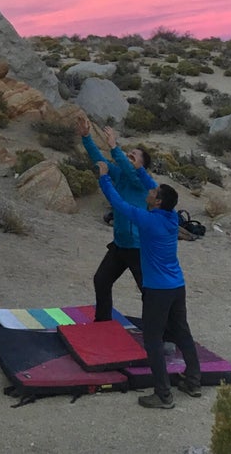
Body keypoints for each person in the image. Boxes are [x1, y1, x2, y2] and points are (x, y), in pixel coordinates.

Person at [96, 163, 202, 410]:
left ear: (156, 202)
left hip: (158, 290)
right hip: (177, 285)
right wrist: (141, 169)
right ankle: (194, 381)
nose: (150, 192)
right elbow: (153, 187)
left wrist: (104, 178)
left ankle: (163, 394)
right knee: (182, 331)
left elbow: (119, 204)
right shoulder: (171, 216)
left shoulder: (148, 220)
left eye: (154, 194)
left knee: (153, 339)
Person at [79, 120, 156, 320]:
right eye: (128, 154)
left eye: (133, 156)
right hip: (120, 245)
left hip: (138, 247)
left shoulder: (141, 182)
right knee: (102, 280)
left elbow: (129, 169)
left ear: (143, 166)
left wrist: (115, 147)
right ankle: (103, 322)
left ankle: (161, 333)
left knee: (149, 292)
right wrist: (86, 137)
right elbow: (99, 160)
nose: (128, 158)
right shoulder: (121, 174)